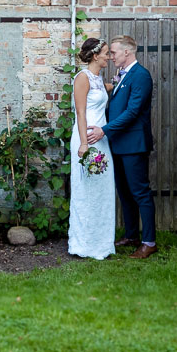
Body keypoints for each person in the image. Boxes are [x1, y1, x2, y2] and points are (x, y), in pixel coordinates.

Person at [87, 35, 157, 259]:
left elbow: (133, 112)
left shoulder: (141, 76)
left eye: (114, 52)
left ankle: (149, 242)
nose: (111, 56)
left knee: (140, 193)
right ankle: (131, 235)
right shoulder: (122, 76)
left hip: (134, 144)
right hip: (118, 144)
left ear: (127, 52)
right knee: (125, 193)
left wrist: (104, 130)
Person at [68, 38, 116, 260]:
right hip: (85, 139)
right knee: (85, 192)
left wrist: (118, 83)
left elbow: (103, 91)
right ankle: (83, 244)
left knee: (102, 191)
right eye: (106, 53)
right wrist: (84, 144)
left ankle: (102, 243)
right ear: (96, 56)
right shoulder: (82, 78)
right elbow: (80, 112)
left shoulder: (98, 79)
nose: (109, 56)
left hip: (101, 139)